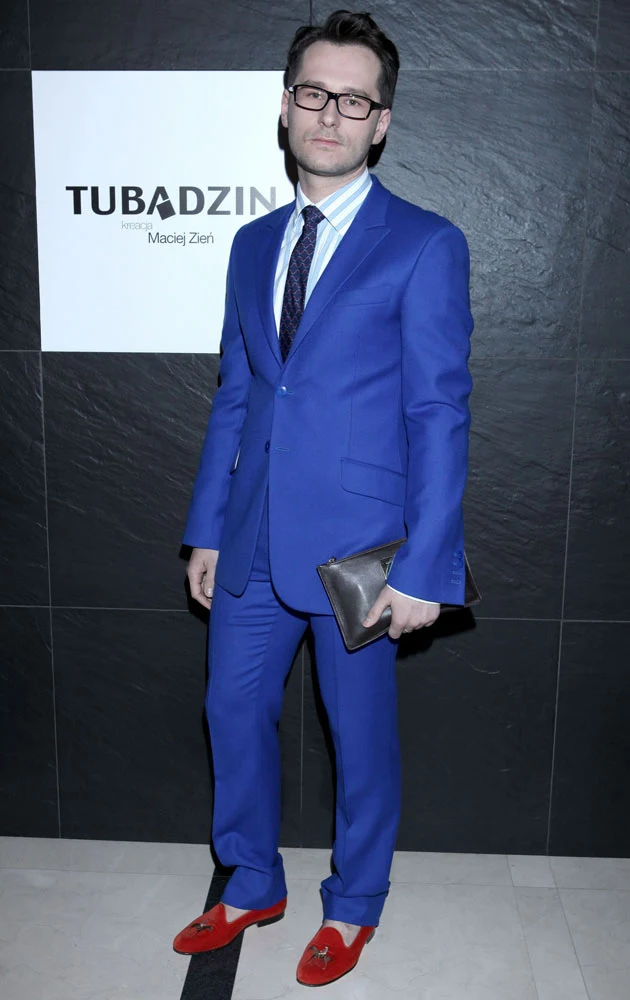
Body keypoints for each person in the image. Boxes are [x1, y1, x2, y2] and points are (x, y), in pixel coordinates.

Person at [172, 8, 473, 988]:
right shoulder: (252, 242)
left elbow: (439, 414)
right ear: (286, 105)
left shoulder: (425, 243)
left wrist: (427, 565)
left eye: (353, 99)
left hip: (362, 549)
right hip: (253, 533)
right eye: (314, 93)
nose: (329, 114)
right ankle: (251, 879)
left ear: (381, 121)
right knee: (230, 710)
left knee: (361, 738)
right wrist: (207, 527)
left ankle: (355, 903)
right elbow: (239, 392)